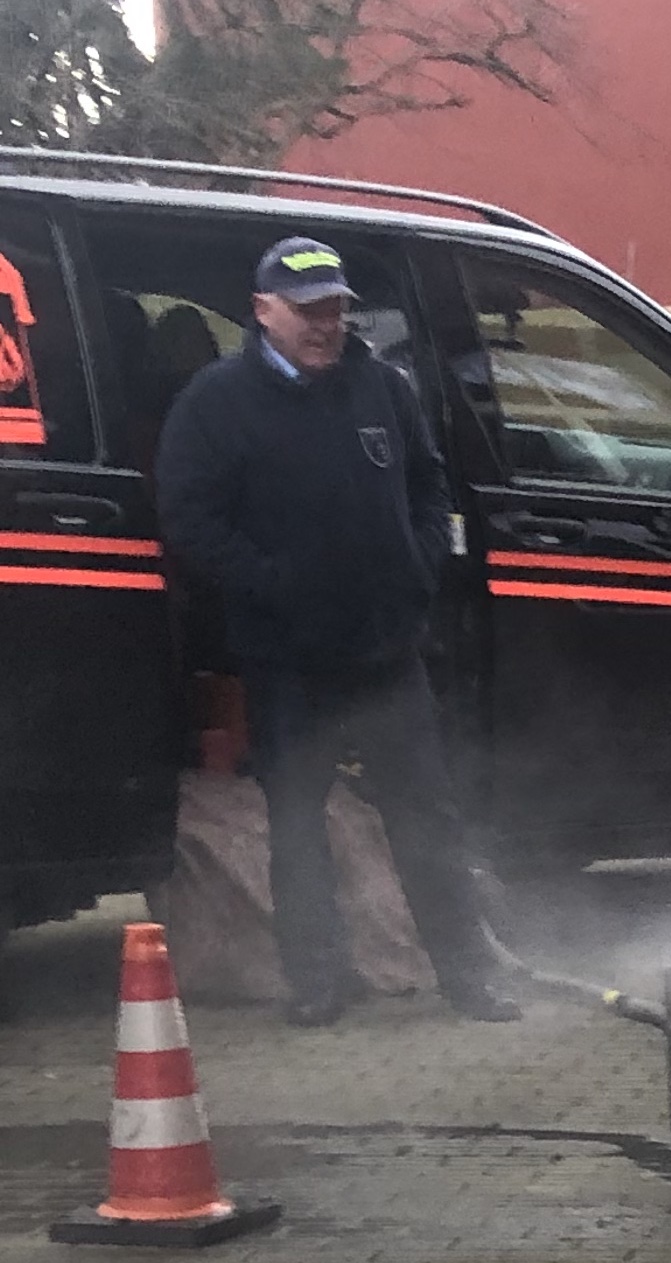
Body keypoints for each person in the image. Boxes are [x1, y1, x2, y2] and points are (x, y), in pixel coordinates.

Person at [156, 237, 520, 1028]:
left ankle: (468, 977)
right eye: (308, 311)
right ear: (263, 311)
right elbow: (188, 518)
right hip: (287, 658)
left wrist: (419, 561)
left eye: (335, 309)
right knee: (298, 823)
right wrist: (273, 583)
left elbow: (427, 484)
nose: (326, 325)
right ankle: (316, 982)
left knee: (427, 817)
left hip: (387, 650)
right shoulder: (216, 402)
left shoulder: (382, 388)